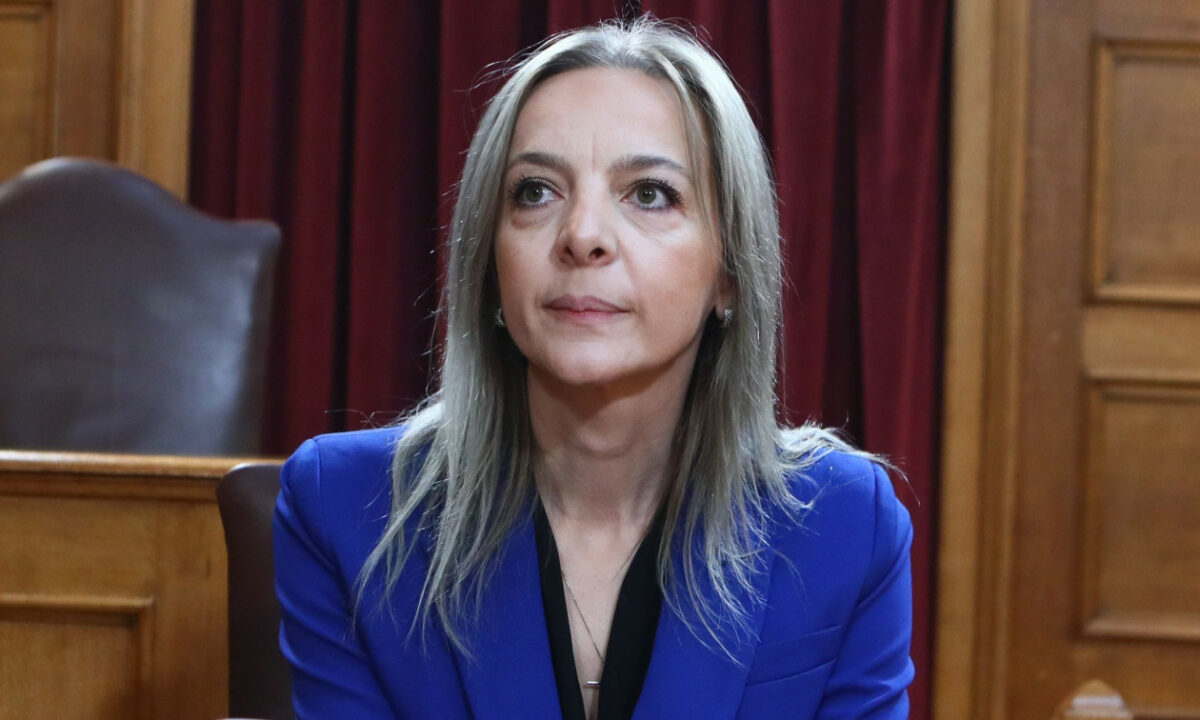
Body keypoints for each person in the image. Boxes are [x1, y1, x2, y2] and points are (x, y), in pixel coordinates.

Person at [274, 17, 913, 720]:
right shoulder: (345, 511)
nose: (581, 236)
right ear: (490, 264)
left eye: (650, 194)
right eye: (535, 192)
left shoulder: (845, 525)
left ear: (730, 272)